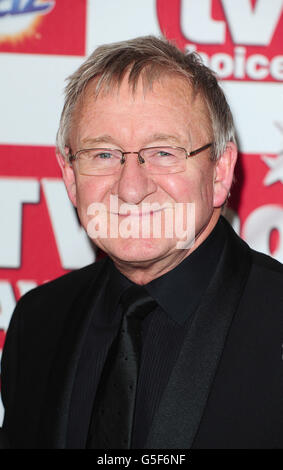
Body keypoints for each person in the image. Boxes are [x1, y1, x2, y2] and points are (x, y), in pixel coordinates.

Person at [1, 36, 283, 450]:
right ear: (70, 176)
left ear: (220, 172)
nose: (131, 189)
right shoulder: (38, 322)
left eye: (164, 152)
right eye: (103, 155)